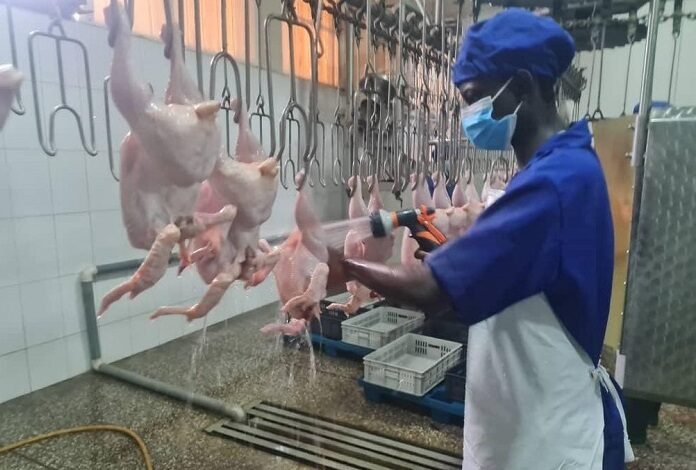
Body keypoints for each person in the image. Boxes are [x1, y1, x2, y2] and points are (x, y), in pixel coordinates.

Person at [329, 9, 635, 469]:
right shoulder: (560, 168)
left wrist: (346, 266)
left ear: (522, 86)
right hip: (529, 415)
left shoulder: (554, 183)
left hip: (544, 442)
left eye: (474, 98)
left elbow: (432, 293)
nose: (467, 115)